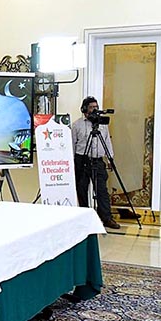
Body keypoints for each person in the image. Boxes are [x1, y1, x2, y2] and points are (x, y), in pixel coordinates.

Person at [71, 96, 121, 229]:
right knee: (82, 189)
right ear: (84, 109)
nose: (95, 109)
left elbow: (107, 141)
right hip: (82, 159)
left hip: (98, 161)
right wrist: (72, 163)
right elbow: (72, 145)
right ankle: (84, 218)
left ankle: (106, 218)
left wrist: (110, 157)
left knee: (102, 191)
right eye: (92, 107)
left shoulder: (102, 125)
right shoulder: (77, 125)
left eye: (96, 107)